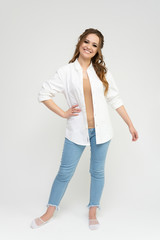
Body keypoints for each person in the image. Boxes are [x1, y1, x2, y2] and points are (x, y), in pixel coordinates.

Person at [30, 28, 139, 230]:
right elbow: (44, 94)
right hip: (76, 131)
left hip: (102, 131)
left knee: (97, 172)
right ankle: (50, 211)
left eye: (94, 45)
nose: (89, 46)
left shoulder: (101, 72)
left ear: (98, 50)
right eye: (86, 42)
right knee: (64, 172)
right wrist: (63, 113)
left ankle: (92, 210)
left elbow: (115, 99)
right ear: (80, 42)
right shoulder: (65, 71)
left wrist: (130, 124)